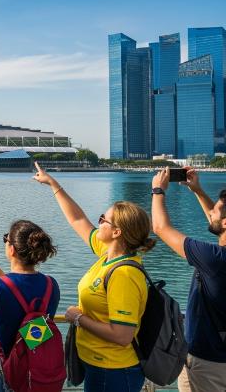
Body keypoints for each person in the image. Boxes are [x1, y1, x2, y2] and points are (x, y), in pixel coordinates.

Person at [33, 162, 155, 392]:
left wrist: (77, 319)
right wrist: (52, 184)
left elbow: (122, 335)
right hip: (98, 365)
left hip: (115, 371)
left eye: (103, 219)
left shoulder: (123, 274)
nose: (98, 222)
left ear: (117, 232)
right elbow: (78, 220)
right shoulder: (107, 255)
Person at [151, 167, 226, 391]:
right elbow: (217, 224)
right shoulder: (215, 258)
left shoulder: (215, 260)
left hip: (207, 362)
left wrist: (158, 190)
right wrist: (198, 191)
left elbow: (161, 228)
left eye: (215, 210)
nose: (210, 212)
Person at [0, 220, 60, 392]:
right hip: (35, 361)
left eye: (7, 239)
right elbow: (19, 296)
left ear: (12, 249)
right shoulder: (52, 285)